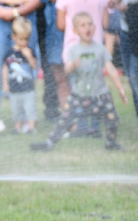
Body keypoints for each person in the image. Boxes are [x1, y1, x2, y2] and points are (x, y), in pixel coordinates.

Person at [31, 11, 127, 150]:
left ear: (95, 28)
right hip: (79, 96)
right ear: (75, 31)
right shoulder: (74, 50)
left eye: (90, 24)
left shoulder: (100, 48)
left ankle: (110, 143)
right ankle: (49, 144)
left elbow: (111, 69)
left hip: (101, 95)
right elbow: (67, 70)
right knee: (64, 120)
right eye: (83, 25)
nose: (87, 28)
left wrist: (121, 89)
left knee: (113, 119)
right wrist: (72, 66)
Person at [0, 0, 41, 138]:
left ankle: (27, 121)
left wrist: (14, 12)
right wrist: (1, 11)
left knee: (27, 70)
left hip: (26, 17)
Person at [57, 0, 110, 137]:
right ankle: (95, 128)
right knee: (95, 89)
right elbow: (105, 24)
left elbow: (60, 25)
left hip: (74, 49)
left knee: (78, 90)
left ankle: (80, 128)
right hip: (95, 49)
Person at [2, 17, 38, 133]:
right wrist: (5, 84)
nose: (24, 42)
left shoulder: (29, 51)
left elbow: (35, 66)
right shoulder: (9, 52)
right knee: (16, 109)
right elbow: (5, 68)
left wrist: (29, 56)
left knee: (30, 108)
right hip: (14, 88)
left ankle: (31, 128)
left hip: (28, 88)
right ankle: (17, 127)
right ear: (14, 37)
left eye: (27, 39)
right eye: (21, 39)